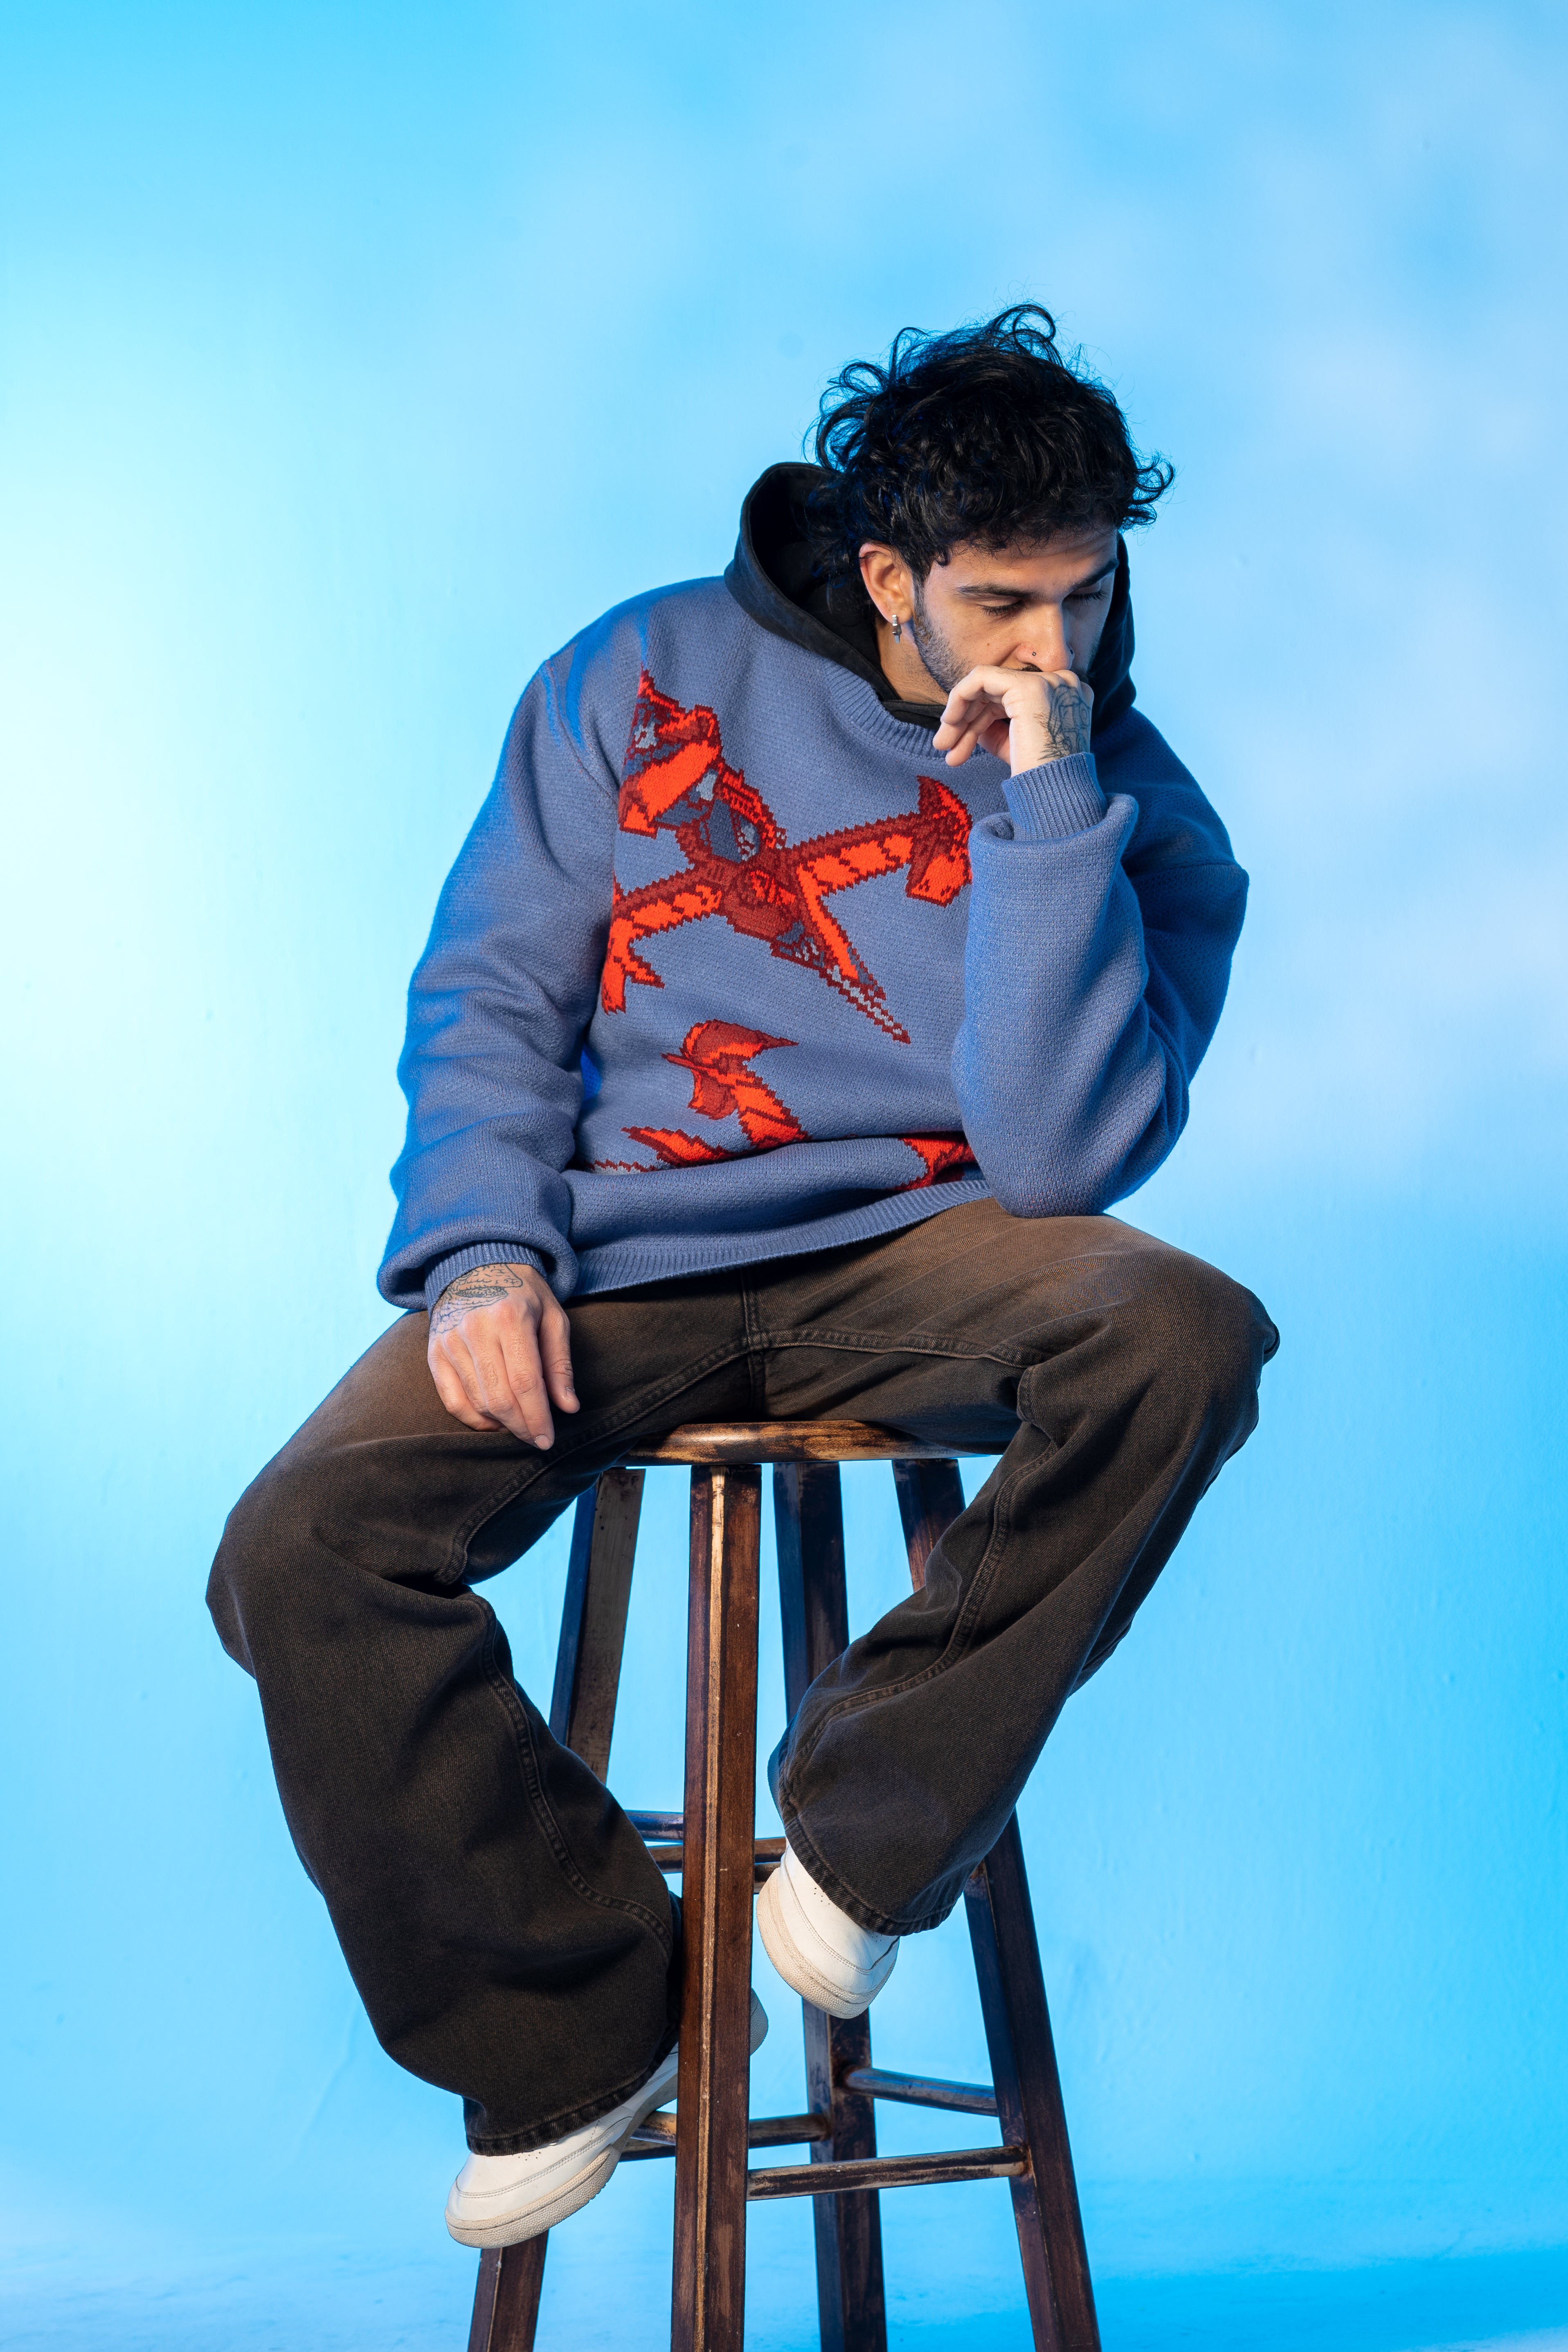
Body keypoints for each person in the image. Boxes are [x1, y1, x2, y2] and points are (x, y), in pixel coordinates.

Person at [208, 304, 1278, 2252]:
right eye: (1002, 603)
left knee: (1183, 1334)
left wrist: (1044, 808)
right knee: (302, 1549)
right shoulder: (632, 680)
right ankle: (573, 2020)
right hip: (623, 1251)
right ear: (887, 574)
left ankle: (869, 1826)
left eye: (1086, 597)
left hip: (934, 1251)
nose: (1052, 648)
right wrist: (482, 1252)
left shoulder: (1129, 800)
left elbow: (1058, 1160)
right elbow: (492, 989)